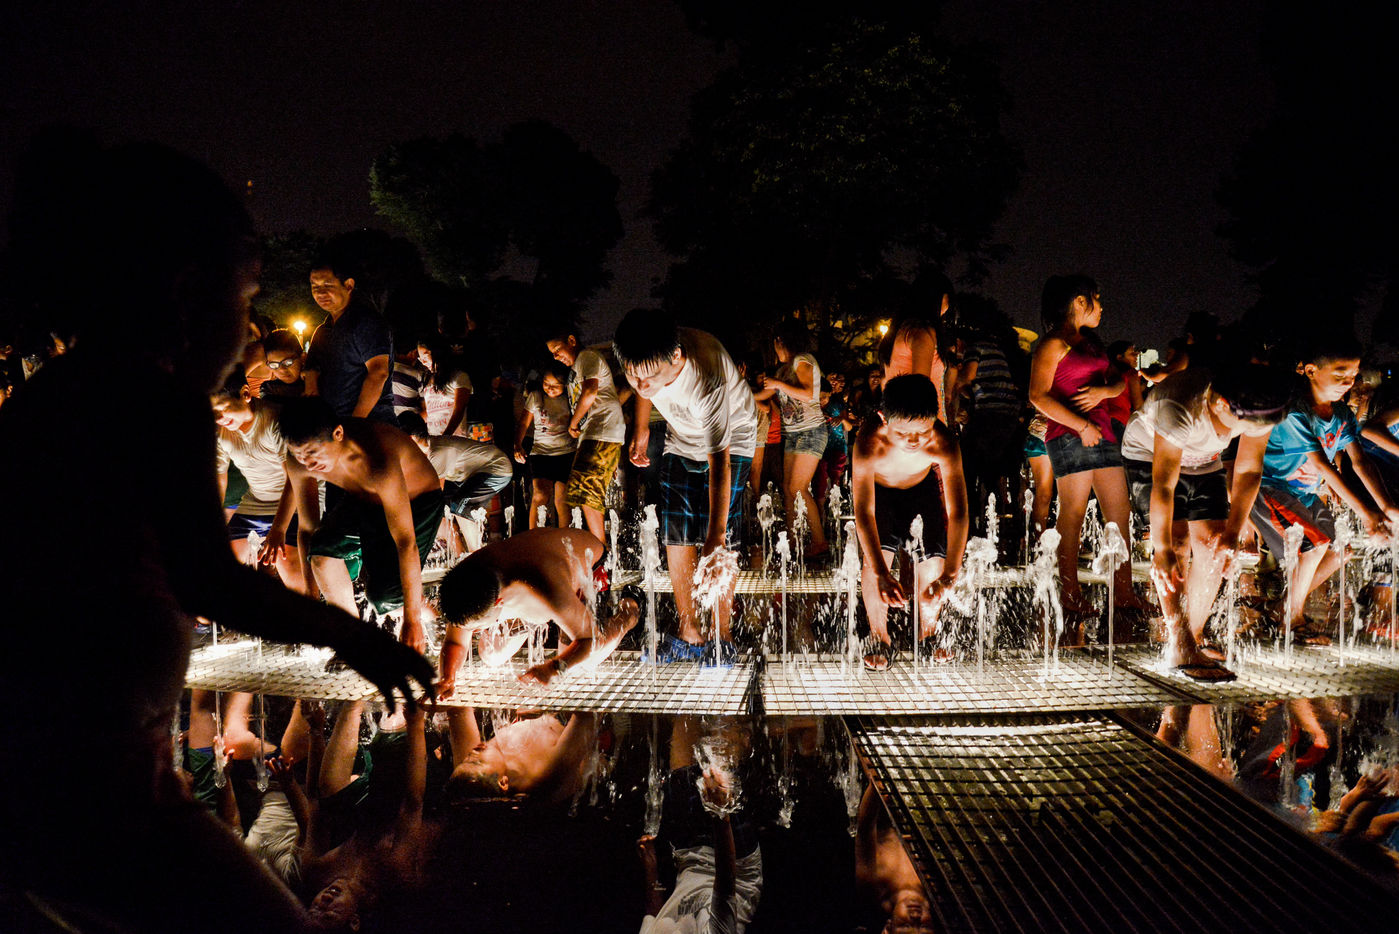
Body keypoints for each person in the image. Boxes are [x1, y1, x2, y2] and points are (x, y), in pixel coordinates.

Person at [0, 140, 432, 934]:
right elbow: (208, 579)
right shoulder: (153, 402)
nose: (244, 330)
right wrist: (355, 638)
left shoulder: (57, 395)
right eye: (246, 296)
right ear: (185, 294)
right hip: (96, 785)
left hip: (64, 770)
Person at [1120, 365, 1290, 680]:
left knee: (1214, 544)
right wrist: (1161, 549)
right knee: (1177, 543)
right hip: (1149, 456)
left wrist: (1233, 532)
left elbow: (1249, 470)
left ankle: (1193, 637)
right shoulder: (1179, 405)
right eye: (1247, 427)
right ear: (1221, 404)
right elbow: (1164, 485)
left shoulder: (1257, 404)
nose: (1251, 433)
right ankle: (1180, 641)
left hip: (1205, 462)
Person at [613, 310, 760, 663]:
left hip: (734, 438)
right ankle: (688, 631)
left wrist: (716, 535)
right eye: (632, 375)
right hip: (681, 437)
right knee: (675, 531)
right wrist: (641, 427)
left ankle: (721, 635)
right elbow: (644, 383)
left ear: (676, 357)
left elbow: (720, 462)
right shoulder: (650, 358)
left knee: (721, 537)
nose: (640, 385)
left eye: (649, 377)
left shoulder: (706, 377)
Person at [1251, 334, 1399, 642]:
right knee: (1315, 544)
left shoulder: (1342, 415)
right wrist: (1367, 514)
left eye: (1353, 375)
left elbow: (1360, 462)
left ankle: (1283, 609)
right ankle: (1291, 620)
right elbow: (1321, 464)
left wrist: (1385, 506)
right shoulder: (1295, 412)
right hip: (1272, 490)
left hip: (1304, 495)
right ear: (1310, 371)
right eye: (1340, 373)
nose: (1348, 382)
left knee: (1339, 551)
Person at [281, 396, 444, 651]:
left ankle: (430, 619)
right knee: (321, 552)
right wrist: (310, 599)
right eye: (300, 456)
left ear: (338, 434)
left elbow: (406, 542)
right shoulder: (299, 462)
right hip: (363, 497)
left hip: (418, 502)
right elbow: (307, 530)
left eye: (313, 454)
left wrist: (411, 621)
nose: (309, 465)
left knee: (384, 597)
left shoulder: (377, 459)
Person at [1028, 275, 1147, 626]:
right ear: (1079, 301)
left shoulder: (1091, 344)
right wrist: (1081, 426)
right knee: (1074, 512)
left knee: (1119, 512)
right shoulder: (1053, 344)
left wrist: (1103, 393)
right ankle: (1070, 594)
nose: (1101, 306)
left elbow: (1118, 380)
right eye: (1096, 298)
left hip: (1103, 431)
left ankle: (1124, 592)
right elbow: (1037, 395)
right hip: (1069, 434)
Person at [852, 375, 968, 669]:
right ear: (884, 419)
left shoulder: (943, 442)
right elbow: (863, 512)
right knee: (875, 559)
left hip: (921, 490)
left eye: (923, 431)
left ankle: (928, 633)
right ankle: (879, 636)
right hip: (880, 493)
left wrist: (951, 573)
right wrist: (881, 572)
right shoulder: (869, 441)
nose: (914, 441)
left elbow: (958, 512)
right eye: (903, 433)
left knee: (933, 559)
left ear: (935, 419)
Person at [435, 528, 642, 692]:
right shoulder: (466, 579)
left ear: (498, 602)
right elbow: (454, 642)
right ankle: (539, 620)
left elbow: (589, 639)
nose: (475, 632)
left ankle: (631, 610)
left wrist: (555, 667)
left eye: (478, 629)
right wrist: (447, 679)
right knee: (491, 654)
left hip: (588, 568)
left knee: (583, 662)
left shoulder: (544, 584)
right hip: (530, 583)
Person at [212, 382, 304, 590]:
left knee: (285, 561)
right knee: (221, 563)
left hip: (296, 501)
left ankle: (307, 605)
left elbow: (294, 479)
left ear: (245, 394)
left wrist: (278, 529)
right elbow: (220, 478)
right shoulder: (221, 432)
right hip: (257, 501)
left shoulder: (274, 420)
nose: (218, 418)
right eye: (213, 413)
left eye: (223, 408)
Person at [754, 318, 831, 560]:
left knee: (798, 487)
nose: (774, 348)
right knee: (788, 489)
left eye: (774, 343)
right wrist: (737, 391)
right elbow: (762, 395)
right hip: (793, 434)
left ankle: (820, 542)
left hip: (811, 432)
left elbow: (809, 394)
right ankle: (792, 541)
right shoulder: (782, 370)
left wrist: (779, 384)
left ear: (780, 341)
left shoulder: (803, 361)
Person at [546, 328, 628, 545]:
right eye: (552, 353)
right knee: (582, 492)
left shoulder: (587, 357)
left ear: (571, 340)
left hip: (602, 431)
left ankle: (600, 551)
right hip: (594, 432)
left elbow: (590, 392)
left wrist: (573, 423)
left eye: (557, 349)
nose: (556, 356)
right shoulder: (577, 368)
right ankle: (598, 548)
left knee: (587, 493)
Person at [400, 412, 513, 553]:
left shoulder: (437, 453)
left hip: (497, 469)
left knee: (459, 506)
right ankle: (460, 555)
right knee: (448, 508)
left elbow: (435, 495)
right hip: (473, 474)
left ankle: (476, 554)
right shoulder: (426, 451)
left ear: (410, 439)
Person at [305, 250, 395, 423]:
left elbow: (378, 373)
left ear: (348, 285)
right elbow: (311, 370)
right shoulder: (323, 331)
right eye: (315, 287)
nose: (320, 293)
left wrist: (355, 423)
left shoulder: (366, 322)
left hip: (370, 424)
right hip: (334, 425)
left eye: (328, 285)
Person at [881, 269, 953, 422]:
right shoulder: (922, 332)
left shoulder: (899, 331)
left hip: (902, 423)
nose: (948, 307)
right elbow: (921, 392)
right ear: (939, 297)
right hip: (923, 426)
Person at [515, 362, 575, 528]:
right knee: (540, 495)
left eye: (556, 385)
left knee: (562, 500)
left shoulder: (570, 397)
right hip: (541, 453)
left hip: (566, 453)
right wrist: (517, 445)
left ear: (565, 385)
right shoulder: (536, 397)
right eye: (546, 384)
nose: (550, 388)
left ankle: (564, 538)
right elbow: (523, 423)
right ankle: (535, 535)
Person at [417, 330, 473, 437]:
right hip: (434, 438)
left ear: (437, 353)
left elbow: (459, 410)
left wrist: (446, 436)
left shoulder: (459, 377)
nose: (423, 362)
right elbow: (430, 412)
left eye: (425, 357)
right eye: (421, 359)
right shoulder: (428, 382)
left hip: (454, 439)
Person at [259, 327, 307, 399]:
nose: (282, 369)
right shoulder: (269, 388)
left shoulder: (315, 383)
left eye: (288, 363)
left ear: (303, 357)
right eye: (274, 365)